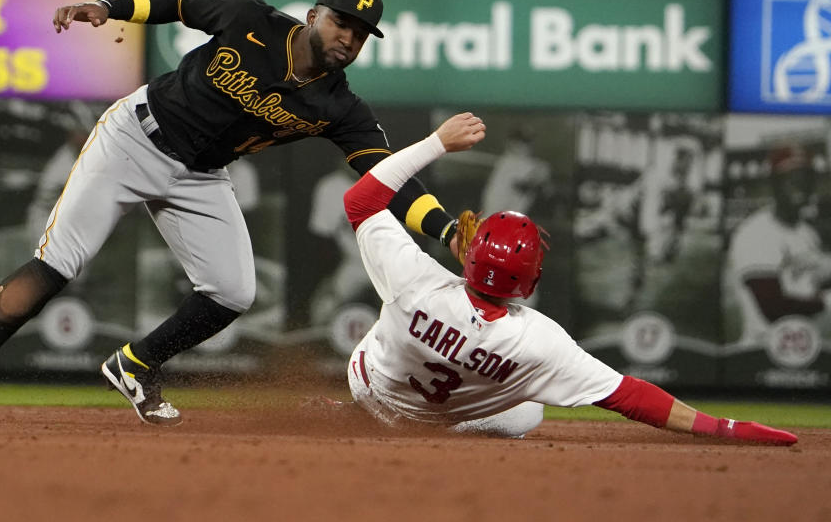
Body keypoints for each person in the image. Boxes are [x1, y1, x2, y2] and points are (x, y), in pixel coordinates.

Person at [0, 0, 465, 427]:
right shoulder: (252, 19)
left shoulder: (340, 106)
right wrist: (107, 8)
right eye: (341, 22)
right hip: (134, 140)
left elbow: (386, 174)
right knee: (58, 264)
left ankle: (134, 365)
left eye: (362, 33)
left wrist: (443, 229)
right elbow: (179, 1)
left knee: (233, 291)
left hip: (200, 176)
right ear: (315, 16)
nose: (349, 37)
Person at [338, 112, 797, 445]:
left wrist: (437, 142)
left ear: (470, 254)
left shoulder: (415, 280)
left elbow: (361, 201)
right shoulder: (540, 341)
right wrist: (726, 427)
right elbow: (629, 395)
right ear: (530, 281)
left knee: (392, 318)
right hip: (429, 422)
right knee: (529, 408)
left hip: (368, 387)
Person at [724, 142, 831, 347]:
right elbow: (773, 307)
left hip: (802, 347)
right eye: (790, 178)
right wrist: (827, 302)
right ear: (774, 184)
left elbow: (813, 282)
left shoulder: (806, 232)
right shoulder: (757, 232)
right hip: (761, 352)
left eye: (805, 178)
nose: (800, 185)